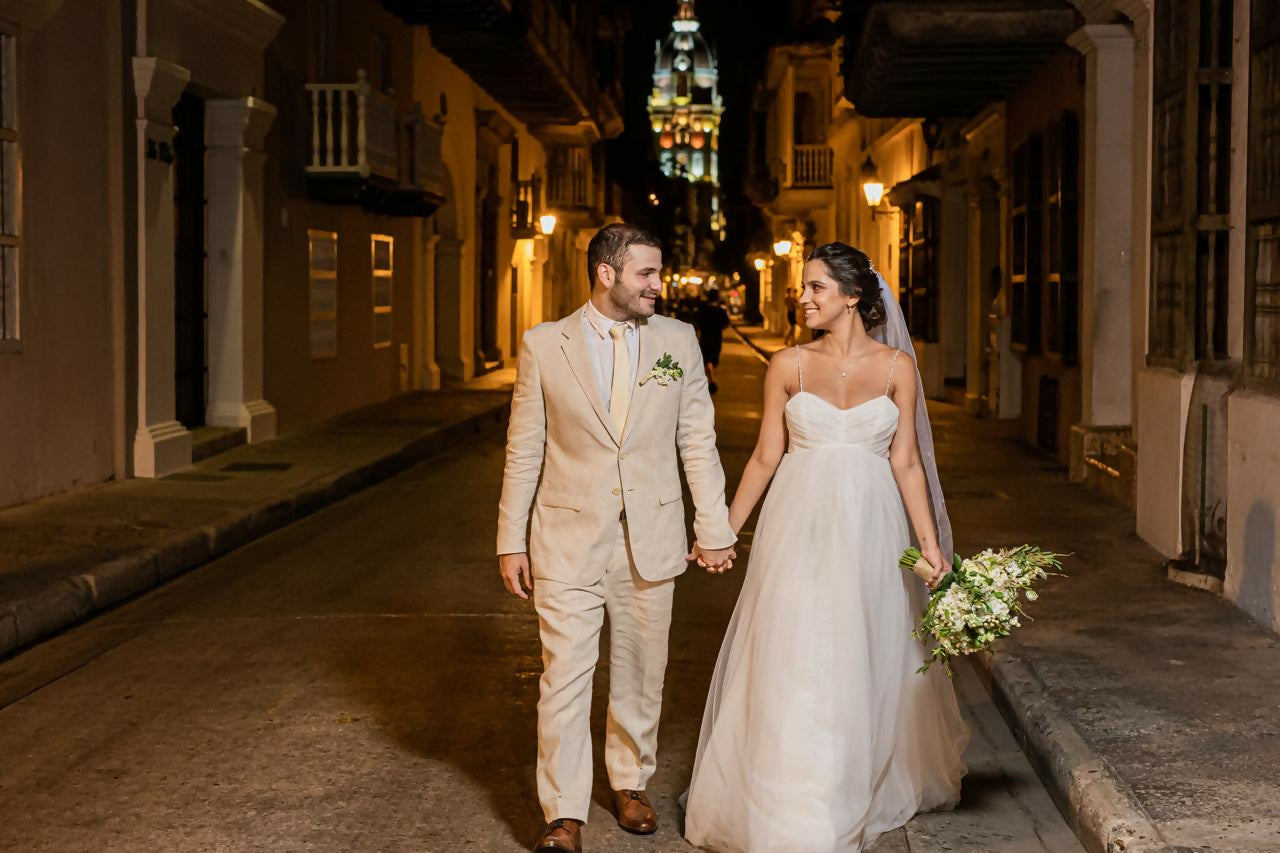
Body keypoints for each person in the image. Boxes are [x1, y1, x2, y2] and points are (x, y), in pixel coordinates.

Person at [683, 242, 969, 852]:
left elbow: (908, 462)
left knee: (860, 642)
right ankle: (791, 789)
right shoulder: (787, 364)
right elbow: (765, 456)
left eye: (816, 287)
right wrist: (721, 531)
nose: (803, 297)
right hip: (799, 523)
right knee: (793, 640)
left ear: (853, 296)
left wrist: (930, 549)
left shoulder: (898, 368)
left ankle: (851, 777)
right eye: (804, 286)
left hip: (872, 525)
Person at [497, 223, 737, 853]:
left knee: (640, 670)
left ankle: (630, 782)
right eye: (647, 274)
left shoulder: (678, 340)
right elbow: (524, 448)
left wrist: (713, 527)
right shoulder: (545, 345)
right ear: (607, 274)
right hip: (566, 536)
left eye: (659, 273)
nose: (660, 285)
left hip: (650, 536)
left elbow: (697, 442)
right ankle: (564, 811)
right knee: (564, 677)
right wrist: (510, 539)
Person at [694, 289, 731, 394]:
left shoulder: (702, 310)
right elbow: (726, 324)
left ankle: (711, 379)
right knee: (713, 360)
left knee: (707, 360)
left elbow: (697, 324)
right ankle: (712, 379)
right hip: (717, 338)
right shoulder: (721, 311)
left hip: (705, 338)